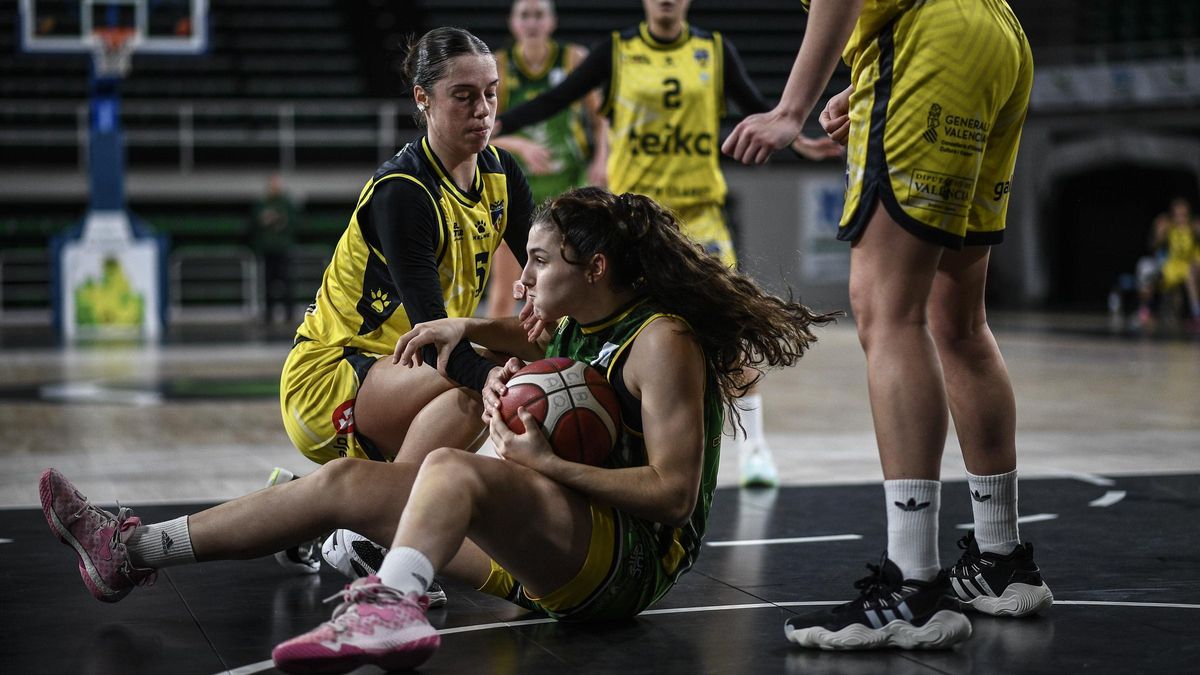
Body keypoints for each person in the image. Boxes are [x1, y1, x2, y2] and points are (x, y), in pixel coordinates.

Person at [39, 186, 837, 674]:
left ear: (596, 270)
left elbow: (668, 496)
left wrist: (538, 464)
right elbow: (525, 338)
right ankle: (130, 551)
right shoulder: (574, 319)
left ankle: (391, 605)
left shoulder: (661, 340)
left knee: (457, 471)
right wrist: (466, 325)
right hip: (558, 549)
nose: (525, 277)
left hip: (625, 567)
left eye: (541, 260)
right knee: (348, 482)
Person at [722, 0, 1052, 649]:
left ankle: (912, 585)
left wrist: (792, 107)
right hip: (996, 36)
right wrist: (870, 80)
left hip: (928, 36)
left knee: (887, 312)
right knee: (956, 318)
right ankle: (1000, 559)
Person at [496, 0, 843, 488]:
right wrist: (501, 124)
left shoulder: (713, 51)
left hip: (697, 221)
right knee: (610, 337)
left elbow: (755, 104)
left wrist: (801, 139)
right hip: (633, 228)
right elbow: (562, 98)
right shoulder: (617, 51)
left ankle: (758, 448)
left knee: (727, 342)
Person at [268, 27, 534, 580]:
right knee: (489, 382)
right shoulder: (404, 193)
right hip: (332, 374)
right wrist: (486, 374)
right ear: (423, 98)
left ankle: (322, 517)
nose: (482, 109)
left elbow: (547, 272)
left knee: (512, 364)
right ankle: (373, 534)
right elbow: (436, 333)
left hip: (406, 372)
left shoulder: (504, 174)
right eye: (464, 96)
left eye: (491, 92)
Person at [486, 0, 609, 320]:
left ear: (552, 22)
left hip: (569, 186)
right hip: (518, 190)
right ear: (513, 23)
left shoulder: (573, 58)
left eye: (539, 14)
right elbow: (483, 128)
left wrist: (602, 158)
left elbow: (602, 119)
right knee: (506, 290)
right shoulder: (498, 65)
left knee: (572, 284)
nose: (532, 22)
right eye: (524, 15)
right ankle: (492, 365)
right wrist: (520, 145)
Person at [1136, 197, 1200, 331]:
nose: (1180, 218)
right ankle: (1146, 310)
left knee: (1190, 275)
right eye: (1177, 215)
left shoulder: (1193, 227)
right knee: (1150, 274)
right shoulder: (1169, 227)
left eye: (1184, 215)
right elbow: (1153, 247)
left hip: (1189, 265)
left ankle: (1196, 315)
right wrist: (1159, 234)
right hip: (1172, 266)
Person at [250, 173, 299, 324]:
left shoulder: (286, 203)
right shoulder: (262, 203)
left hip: (283, 248)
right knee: (267, 282)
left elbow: (293, 222)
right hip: (267, 249)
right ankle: (268, 313)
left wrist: (276, 220)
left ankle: (289, 312)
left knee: (286, 280)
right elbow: (255, 223)